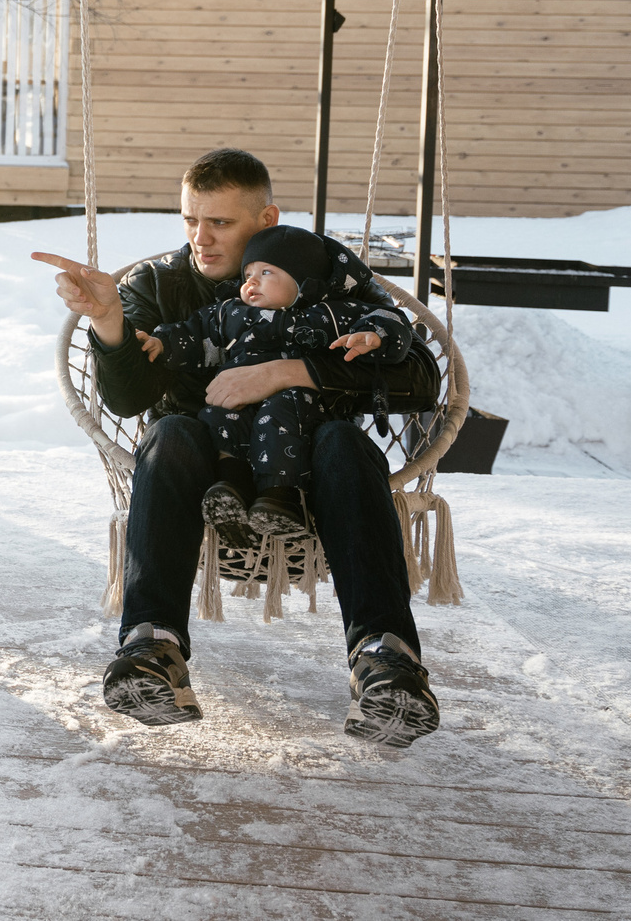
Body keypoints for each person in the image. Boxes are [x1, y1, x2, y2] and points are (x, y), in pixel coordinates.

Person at [33, 149, 445, 749]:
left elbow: (421, 381)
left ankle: (388, 662)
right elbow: (127, 399)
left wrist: (290, 372)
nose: (200, 238)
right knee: (169, 430)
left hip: (310, 472)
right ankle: (152, 649)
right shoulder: (156, 285)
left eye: (220, 223)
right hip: (202, 477)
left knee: (344, 443)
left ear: (266, 219)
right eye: (190, 220)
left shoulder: (318, 270)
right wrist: (110, 326)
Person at [142, 223, 416, 547]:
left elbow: (389, 318)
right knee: (216, 416)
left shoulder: (330, 313)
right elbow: (198, 331)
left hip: (300, 407)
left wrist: (374, 336)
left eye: (266, 272)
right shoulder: (233, 313)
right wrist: (164, 342)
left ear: (303, 282)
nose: (251, 282)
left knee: (279, 415)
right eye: (248, 274)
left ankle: (281, 497)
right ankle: (231, 486)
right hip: (240, 402)